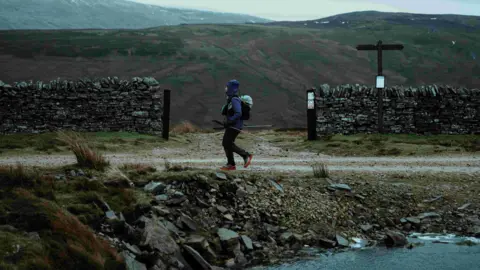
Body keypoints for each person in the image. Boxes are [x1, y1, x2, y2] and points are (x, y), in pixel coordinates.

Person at [220, 79, 253, 171]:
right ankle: (231, 164)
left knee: (227, 143)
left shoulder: (234, 99)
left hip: (235, 126)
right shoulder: (231, 99)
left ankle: (245, 155)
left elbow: (238, 113)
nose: (225, 88)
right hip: (232, 125)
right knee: (226, 143)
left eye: (227, 87)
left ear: (231, 88)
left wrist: (230, 121)